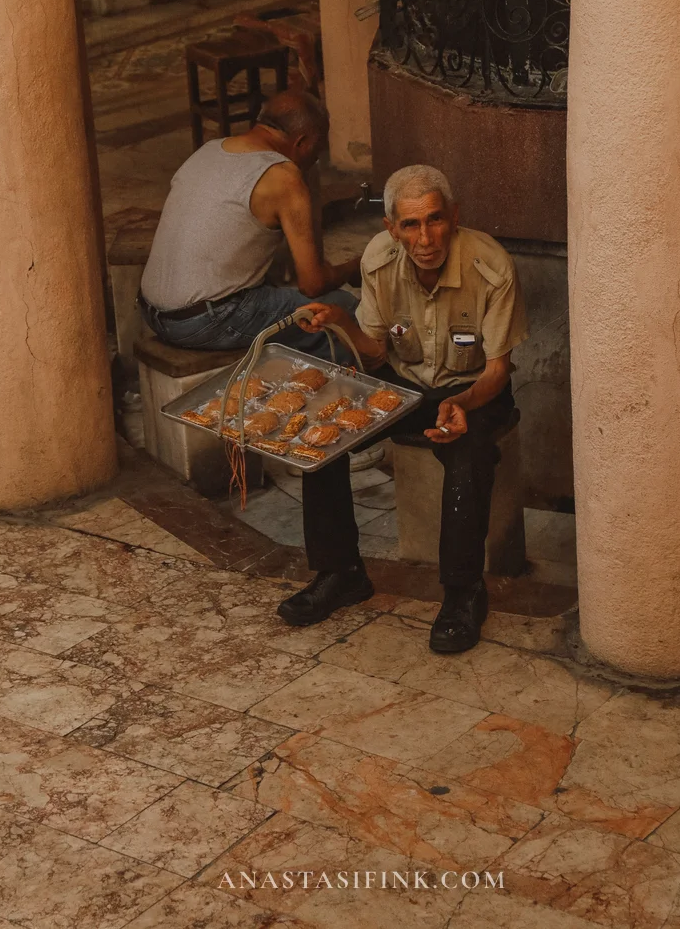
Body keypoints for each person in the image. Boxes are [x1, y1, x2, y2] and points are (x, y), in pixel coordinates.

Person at [277, 164, 528, 654]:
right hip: (406, 383)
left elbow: (498, 372)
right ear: (391, 228)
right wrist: (342, 322)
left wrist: (460, 403)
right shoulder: (378, 259)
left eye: (435, 220)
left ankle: (462, 594)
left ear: (454, 217)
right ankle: (341, 572)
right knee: (323, 435)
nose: (425, 236)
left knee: (469, 455)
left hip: (475, 391)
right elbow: (374, 352)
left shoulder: (491, 266)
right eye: (410, 225)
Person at [139, 90, 361, 358]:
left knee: (279, 296)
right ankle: (338, 389)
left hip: (151, 312)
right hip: (207, 321)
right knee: (342, 310)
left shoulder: (209, 149)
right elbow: (312, 284)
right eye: (317, 150)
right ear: (301, 142)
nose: (315, 160)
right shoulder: (282, 177)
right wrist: (354, 268)